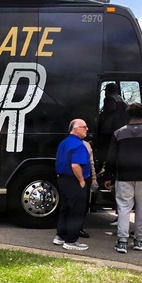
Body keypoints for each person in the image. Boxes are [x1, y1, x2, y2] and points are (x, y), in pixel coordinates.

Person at [105, 103, 142, 253]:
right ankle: (139, 240)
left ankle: (122, 241)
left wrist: (109, 176)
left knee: (124, 207)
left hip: (123, 175)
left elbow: (111, 157)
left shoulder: (118, 133)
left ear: (128, 115)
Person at [54, 119, 92, 251]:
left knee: (65, 208)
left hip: (62, 179)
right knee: (76, 211)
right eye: (84, 127)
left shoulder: (64, 143)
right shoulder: (79, 145)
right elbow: (75, 165)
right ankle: (71, 241)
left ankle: (60, 236)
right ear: (75, 129)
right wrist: (82, 180)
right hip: (74, 180)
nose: (86, 129)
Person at [96, 83, 128, 159]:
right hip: (120, 127)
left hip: (109, 128)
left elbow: (109, 110)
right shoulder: (122, 100)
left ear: (108, 90)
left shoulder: (109, 99)